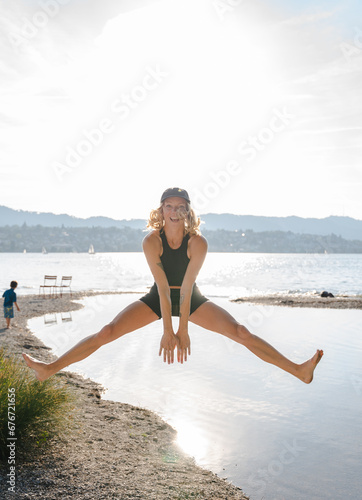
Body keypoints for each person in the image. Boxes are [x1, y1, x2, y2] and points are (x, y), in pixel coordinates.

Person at [23, 187, 323, 383]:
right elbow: (164, 290)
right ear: (161, 210)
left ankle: (299, 370)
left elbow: (188, 286)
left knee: (241, 332)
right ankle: (49, 369)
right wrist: (168, 330)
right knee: (107, 332)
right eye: (169, 205)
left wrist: (183, 331)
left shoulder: (198, 243)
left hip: (193, 299)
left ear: (188, 212)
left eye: (181, 206)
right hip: (159, 298)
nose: (175, 210)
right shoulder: (151, 241)